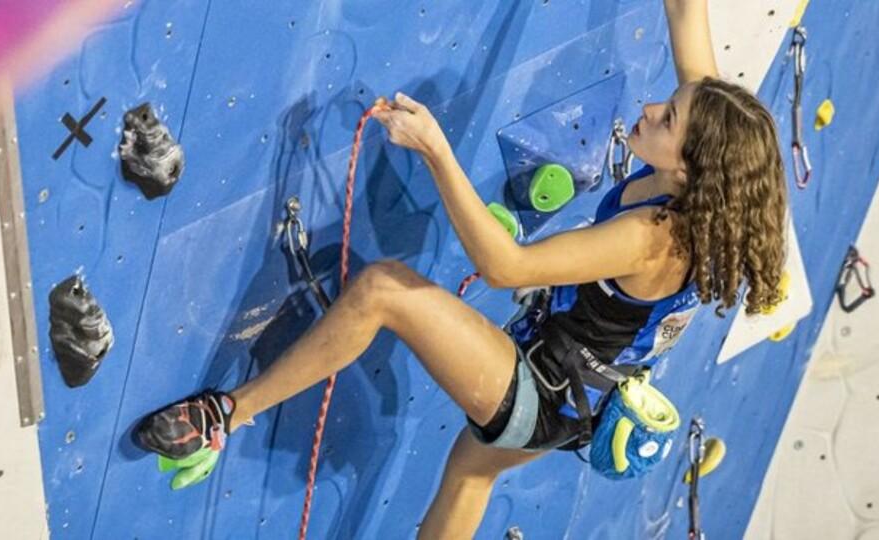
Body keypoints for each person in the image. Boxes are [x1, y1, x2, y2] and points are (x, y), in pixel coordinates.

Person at [134, 0, 787, 536]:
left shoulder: (653, 237)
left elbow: (505, 267)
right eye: (668, 100)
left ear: (685, 168)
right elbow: (684, 9)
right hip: (585, 392)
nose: (649, 109)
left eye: (666, 119)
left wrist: (436, 151)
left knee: (383, 291)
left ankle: (222, 417)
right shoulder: (713, 172)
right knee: (470, 474)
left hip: (551, 393)